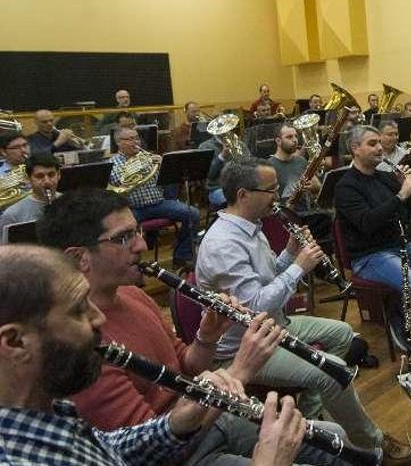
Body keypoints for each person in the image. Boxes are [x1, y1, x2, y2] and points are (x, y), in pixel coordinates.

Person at [35, 188, 340, 466]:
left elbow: (186, 368)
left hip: (210, 417)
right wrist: (240, 372)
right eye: (124, 237)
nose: (142, 244)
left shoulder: (133, 294)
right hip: (183, 455)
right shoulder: (77, 343)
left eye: (138, 231)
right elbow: (158, 447)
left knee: (332, 438)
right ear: (79, 257)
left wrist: (207, 337)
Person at [0, 245, 307, 466]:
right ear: (14, 342)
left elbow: (107, 447)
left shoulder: (48, 407)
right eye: (79, 309)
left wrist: (175, 424)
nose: (99, 319)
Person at [197, 157, 411, 465]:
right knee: (334, 371)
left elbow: (268, 275)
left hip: (273, 326)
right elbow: (254, 307)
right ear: (243, 195)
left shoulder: (252, 225)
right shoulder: (224, 244)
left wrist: (289, 254)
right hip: (245, 346)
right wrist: (299, 268)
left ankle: (311, 416)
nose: (277, 196)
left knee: (343, 335)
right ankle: (374, 442)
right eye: (270, 189)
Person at [335, 125, 411, 349]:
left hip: (401, 246)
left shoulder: (385, 177)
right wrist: (401, 194)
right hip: (369, 256)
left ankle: (398, 306)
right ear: (355, 148)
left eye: (379, 142)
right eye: (372, 143)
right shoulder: (345, 186)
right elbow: (367, 223)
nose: (380, 148)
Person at [110, 128, 200, 268]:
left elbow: (167, 180)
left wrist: (164, 166)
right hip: (132, 209)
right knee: (123, 229)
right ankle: (131, 265)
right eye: (130, 139)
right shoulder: (113, 163)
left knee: (193, 214)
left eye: (137, 138)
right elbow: (119, 180)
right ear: (118, 143)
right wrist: (139, 167)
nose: (135, 142)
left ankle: (182, 255)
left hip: (158, 204)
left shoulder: (148, 157)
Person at [271, 124, 332, 242]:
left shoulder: (301, 161)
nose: (294, 140)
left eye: (295, 136)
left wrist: (315, 187)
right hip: (287, 218)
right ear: (278, 141)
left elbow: (318, 189)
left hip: (308, 214)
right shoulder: (269, 165)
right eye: (289, 137)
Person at [1, 153, 60, 243]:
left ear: (59, 175)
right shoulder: (12, 215)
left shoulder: (72, 203)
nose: (47, 181)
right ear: (28, 178)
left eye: (51, 175)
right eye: (39, 176)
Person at [199, 124, 252, 208]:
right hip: (217, 188)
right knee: (237, 201)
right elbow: (209, 175)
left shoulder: (240, 144)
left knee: (258, 196)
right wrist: (222, 156)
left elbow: (250, 166)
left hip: (241, 186)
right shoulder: (205, 147)